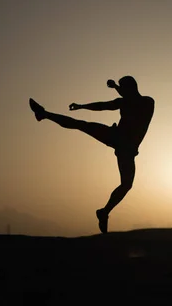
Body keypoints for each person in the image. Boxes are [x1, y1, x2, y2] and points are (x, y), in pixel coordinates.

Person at [29, 75, 155, 234]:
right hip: (118, 139)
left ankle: (104, 212)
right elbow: (102, 106)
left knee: (126, 185)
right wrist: (82, 106)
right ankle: (45, 114)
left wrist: (116, 88)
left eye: (123, 89)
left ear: (129, 88)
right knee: (81, 125)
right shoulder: (129, 101)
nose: (120, 92)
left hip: (126, 149)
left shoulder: (146, 102)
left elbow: (126, 101)